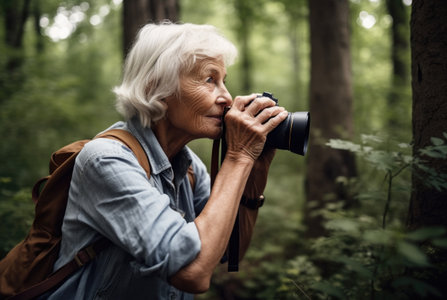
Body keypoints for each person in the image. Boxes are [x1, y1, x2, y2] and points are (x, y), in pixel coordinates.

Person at [44, 22, 288, 299]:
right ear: (157, 86)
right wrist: (238, 157)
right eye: (210, 80)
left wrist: (254, 171)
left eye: (224, 81)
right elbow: (193, 273)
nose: (226, 97)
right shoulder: (106, 161)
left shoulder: (190, 167)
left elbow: (229, 252)